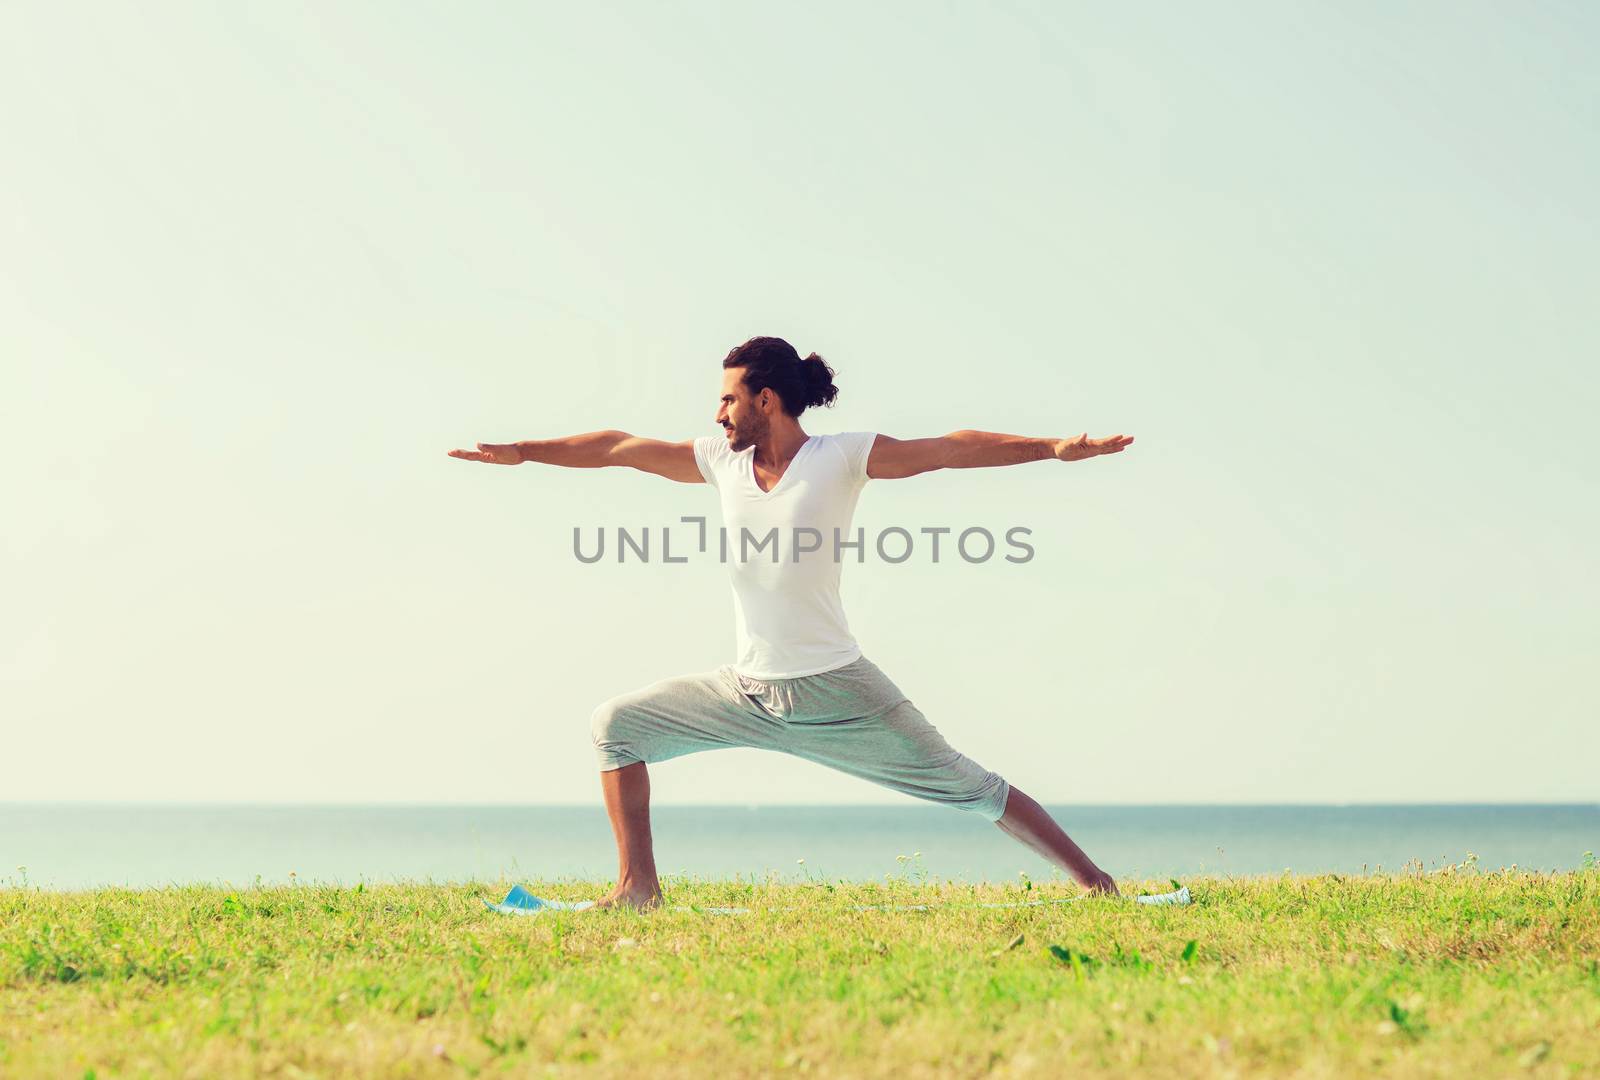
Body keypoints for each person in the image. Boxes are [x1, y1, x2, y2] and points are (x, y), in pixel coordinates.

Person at [449, 336, 1134, 909]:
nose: (718, 413)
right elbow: (617, 447)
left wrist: (1051, 448)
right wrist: (525, 451)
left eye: (728, 398)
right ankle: (638, 890)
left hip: (838, 690)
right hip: (746, 691)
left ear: (765, 400)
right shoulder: (721, 464)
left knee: (971, 787)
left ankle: (1099, 885)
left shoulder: (838, 458)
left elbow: (948, 448)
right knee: (615, 728)